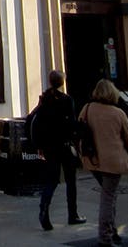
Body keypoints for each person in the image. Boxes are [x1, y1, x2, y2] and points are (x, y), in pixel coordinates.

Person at [79, 78, 128, 246]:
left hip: (93, 160)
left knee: (109, 195)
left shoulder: (87, 109)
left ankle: (112, 231)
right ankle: (105, 236)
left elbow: (80, 131)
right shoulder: (117, 113)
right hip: (113, 161)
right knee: (108, 197)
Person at [35, 70, 87, 230]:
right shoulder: (66, 100)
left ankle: (44, 206)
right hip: (64, 145)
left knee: (51, 179)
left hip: (49, 146)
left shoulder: (44, 100)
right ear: (62, 82)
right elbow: (71, 124)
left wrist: (40, 145)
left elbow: (38, 123)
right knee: (71, 181)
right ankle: (73, 214)